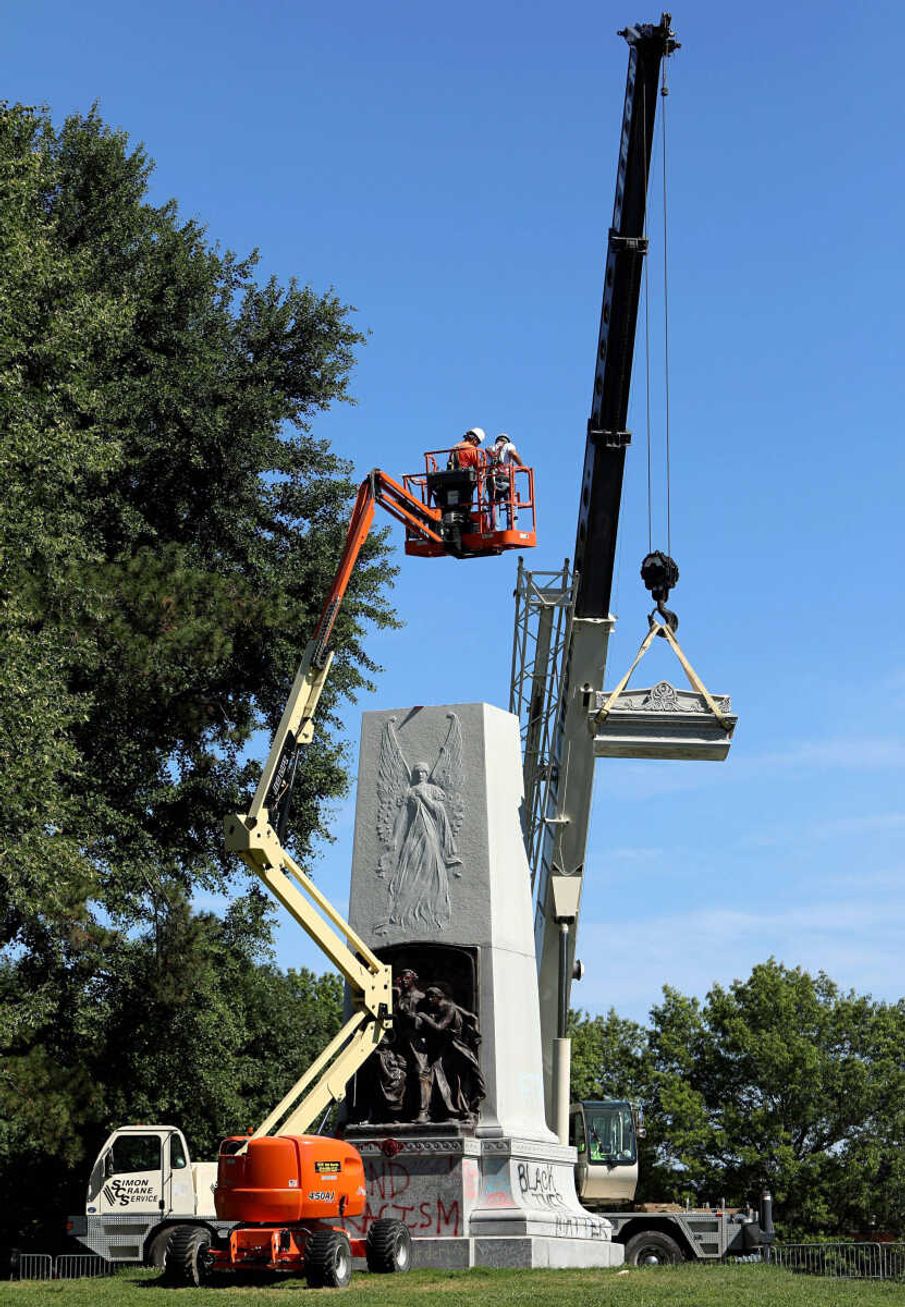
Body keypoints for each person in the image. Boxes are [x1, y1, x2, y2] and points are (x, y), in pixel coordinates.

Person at [488, 432, 524, 527]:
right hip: (506, 480)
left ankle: (494, 529)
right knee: (511, 505)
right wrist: (522, 466)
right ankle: (512, 527)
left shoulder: (490, 449)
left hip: (492, 481)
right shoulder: (508, 445)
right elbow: (513, 454)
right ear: (507, 440)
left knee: (494, 506)